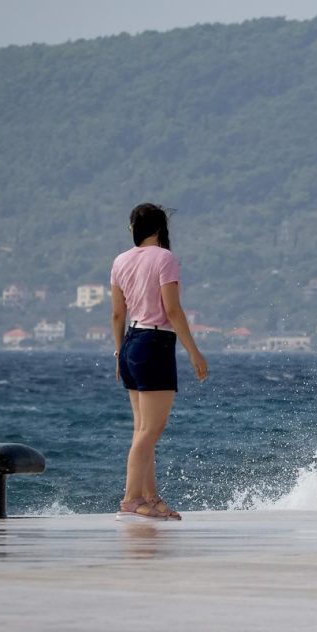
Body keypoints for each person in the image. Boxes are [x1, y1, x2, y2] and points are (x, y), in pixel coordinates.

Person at [110, 203, 209, 520]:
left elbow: (118, 314)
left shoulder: (120, 260)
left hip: (131, 343)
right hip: (155, 344)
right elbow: (172, 309)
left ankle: (150, 497)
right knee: (151, 429)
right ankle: (131, 499)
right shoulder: (165, 258)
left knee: (143, 429)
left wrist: (119, 353)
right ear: (160, 227)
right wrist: (194, 351)